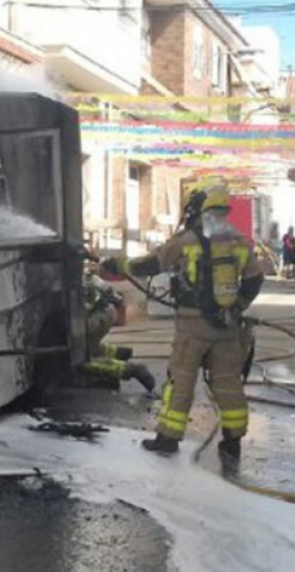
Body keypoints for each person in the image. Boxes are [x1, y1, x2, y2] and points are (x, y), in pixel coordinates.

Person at [102, 183, 264, 463]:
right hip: (227, 326)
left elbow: (152, 265)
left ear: (198, 208)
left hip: (193, 324)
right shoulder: (239, 241)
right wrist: (236, 306)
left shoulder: (188, 240)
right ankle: (232, 441)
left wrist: (119, 265)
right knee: (228, 382)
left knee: (181, 380)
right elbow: (254, 279)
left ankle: (168, 438)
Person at [81, 261, 156, 394]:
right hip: (108, 311)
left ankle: (130, 370)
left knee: (83, 359)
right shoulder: (83, 273)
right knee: (89, 346)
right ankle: (117, 353)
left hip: (95, 317)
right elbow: (109, 291)